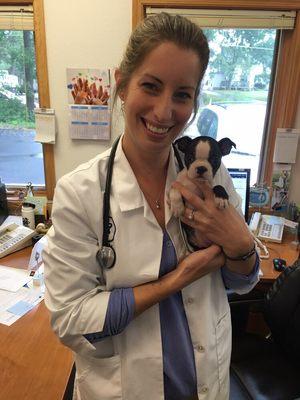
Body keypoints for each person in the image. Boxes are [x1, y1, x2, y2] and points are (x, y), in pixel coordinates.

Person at [43, 13, 260, 400]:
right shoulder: (80, 193)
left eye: (182, 94)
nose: (164, 112)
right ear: (122, 84)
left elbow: (244, 279)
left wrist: (242, 244)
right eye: (151, 85)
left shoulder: (210, 175)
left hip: (209, 383)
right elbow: (70, 319)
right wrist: (174, 282)